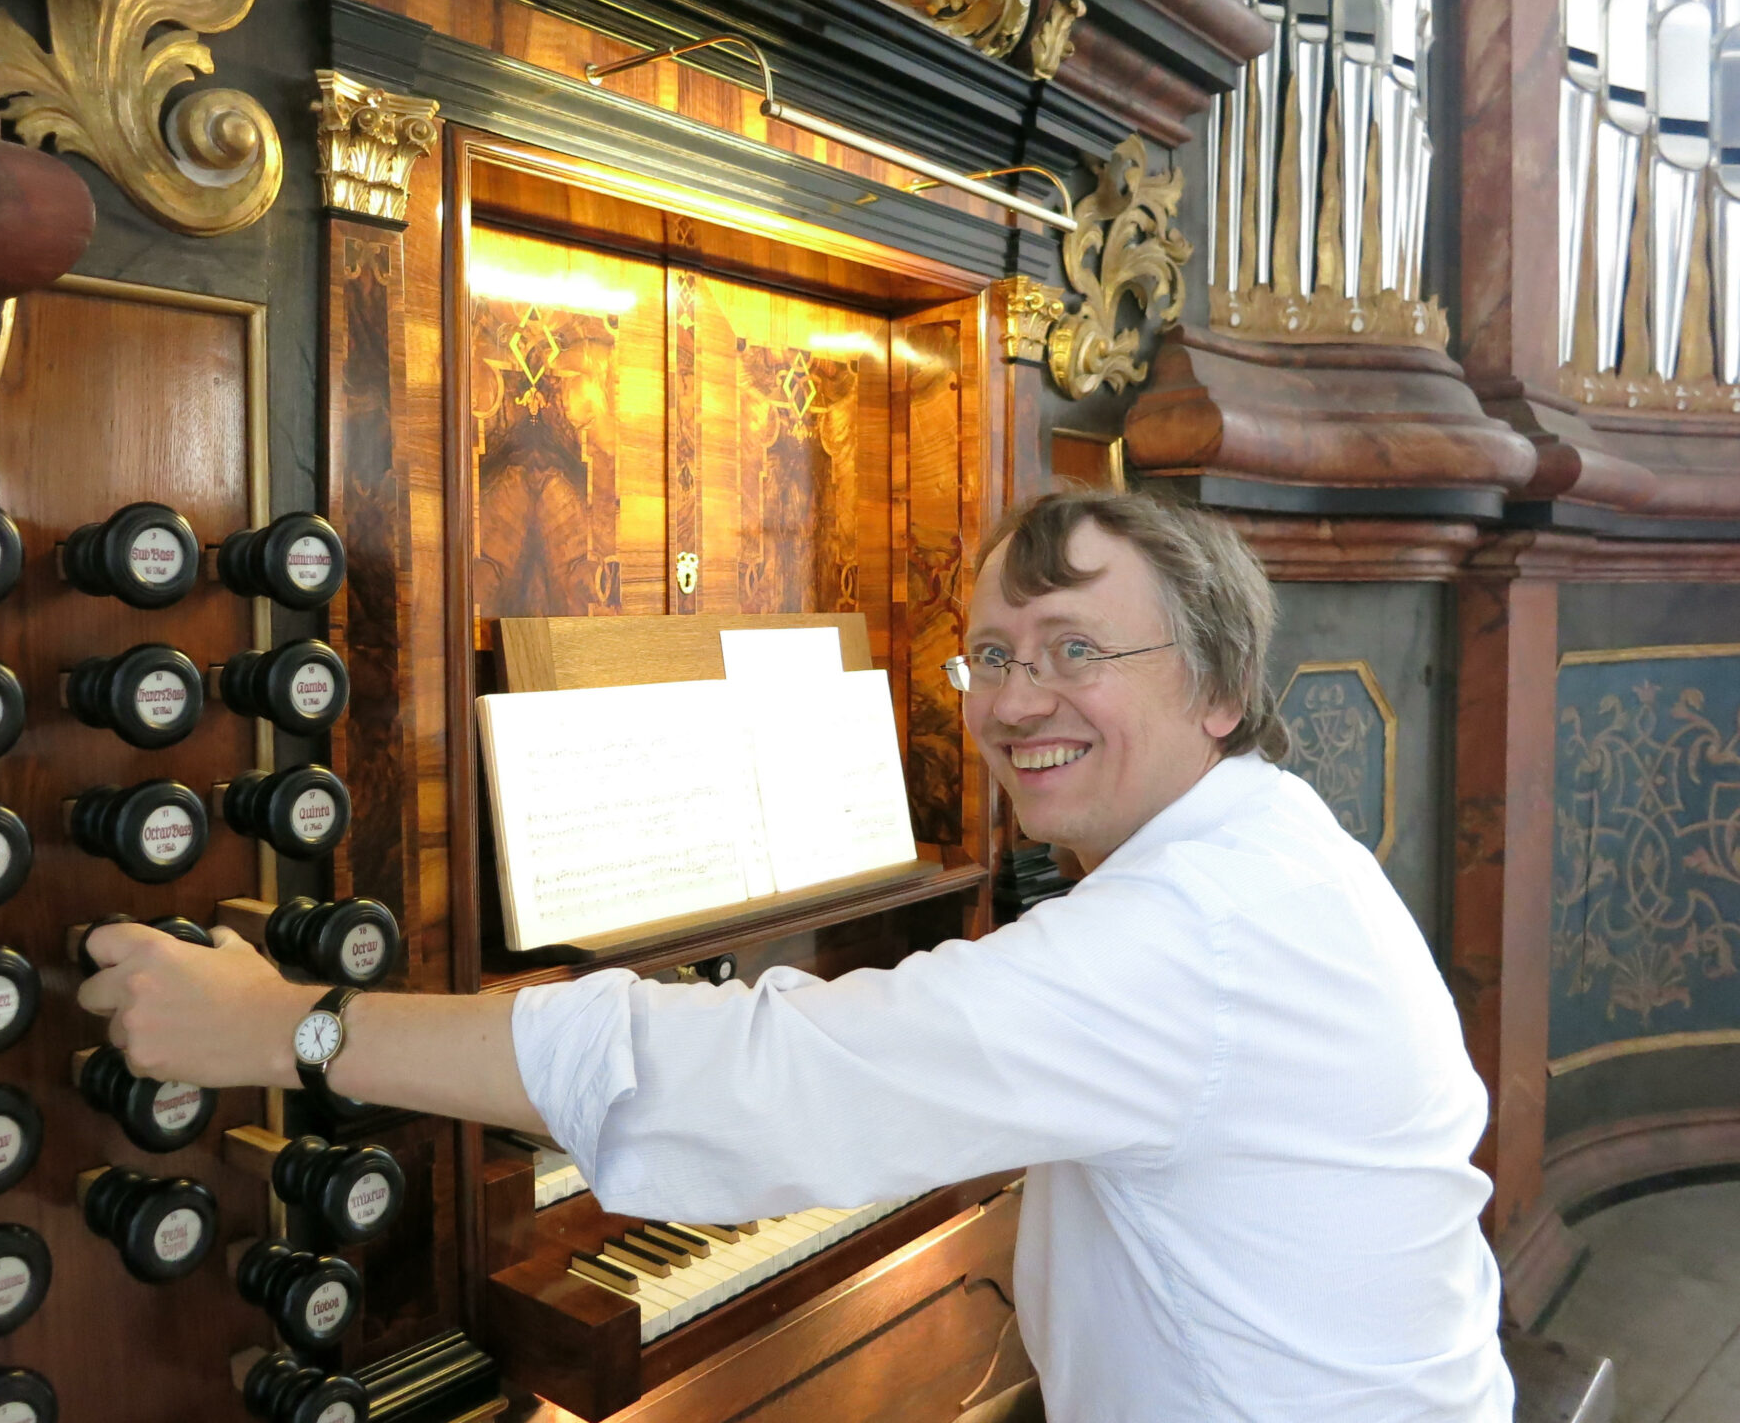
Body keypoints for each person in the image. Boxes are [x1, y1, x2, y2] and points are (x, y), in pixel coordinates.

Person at [80, 487, 1513, 1423]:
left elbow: (777, 1078)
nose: (1017, 702)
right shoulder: (1260, 844)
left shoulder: (1195, 931)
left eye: (1075, 650)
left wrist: (292, 1026)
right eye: (993, 658)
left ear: (1218, 689)